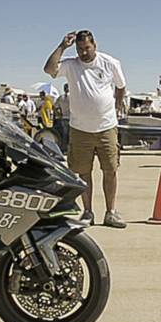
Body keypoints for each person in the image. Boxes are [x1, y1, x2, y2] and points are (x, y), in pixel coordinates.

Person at [44, 30, 127, 228]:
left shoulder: (110, 63)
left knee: (110, 170)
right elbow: (49, 69)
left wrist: (117, 106)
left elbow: (121, 86)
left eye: (87, 48)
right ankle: (88, 211)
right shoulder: (71, 65)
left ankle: (111, 212)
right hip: (80, 129)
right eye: (80, 49)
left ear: (94, 45)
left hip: (106, 127)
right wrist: (62, 46)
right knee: (83, 172)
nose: (83, 53)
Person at [53, 83, 71, 152]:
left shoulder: (61, 97)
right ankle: (70, 149)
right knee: (71, 134)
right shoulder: (73, 96)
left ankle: (64, 148)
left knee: (64, 133)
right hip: (72, 118)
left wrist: (59, 114)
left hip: (64, 117)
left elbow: (54, 106)